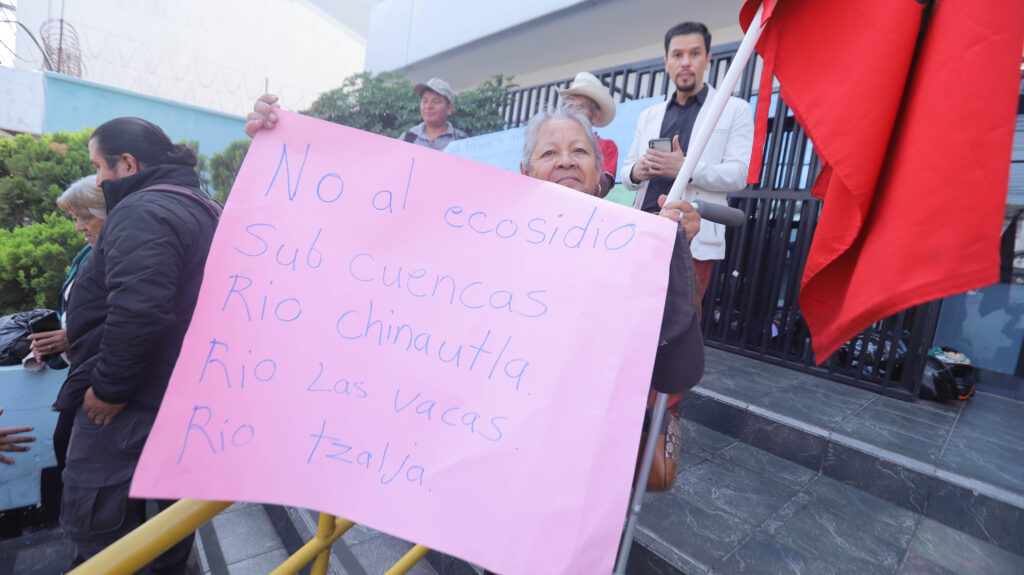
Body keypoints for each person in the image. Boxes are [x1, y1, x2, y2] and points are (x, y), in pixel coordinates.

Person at [59, 117, 221, 572]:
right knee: (169, 519)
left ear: (126, 163)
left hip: (131, 403)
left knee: (95, 523)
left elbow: (140, 310)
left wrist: (109, 389)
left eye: (99, 167)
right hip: (174, 394)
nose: (97, 180)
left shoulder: (143, 210)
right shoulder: (202, 204)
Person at [520, 105, 704, 394]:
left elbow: (676, 366)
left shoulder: (628, 241)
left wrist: (672, 252)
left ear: (598, 170)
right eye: (549, 153)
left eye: (579, 151)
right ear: (525, 171)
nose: (566, 161)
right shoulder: (503, 238)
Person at [620, 21, 754, 294]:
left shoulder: (734, 109)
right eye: (677, 55)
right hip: (644, 227)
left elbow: (738, 174)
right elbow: (626, 174)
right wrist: (639, 170)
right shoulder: (650, 115)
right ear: (666, 62)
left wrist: (685, 169)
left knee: (683, 321)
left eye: (694, 54)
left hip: (695, 235)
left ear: (707, 60)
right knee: (631, 312)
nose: (685, 62)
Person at [558, 71, 619, 198]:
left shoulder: (607, 146)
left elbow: (603, 187)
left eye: (580, 107)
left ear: (595, 115)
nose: (572, 112)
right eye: (569, 106)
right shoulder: (554, 144)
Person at [400, 77, 469, 150]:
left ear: (449, 108)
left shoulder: (461, 140)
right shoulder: (408, 138)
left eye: (436, 101)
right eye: (425, 101)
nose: (428, 106)